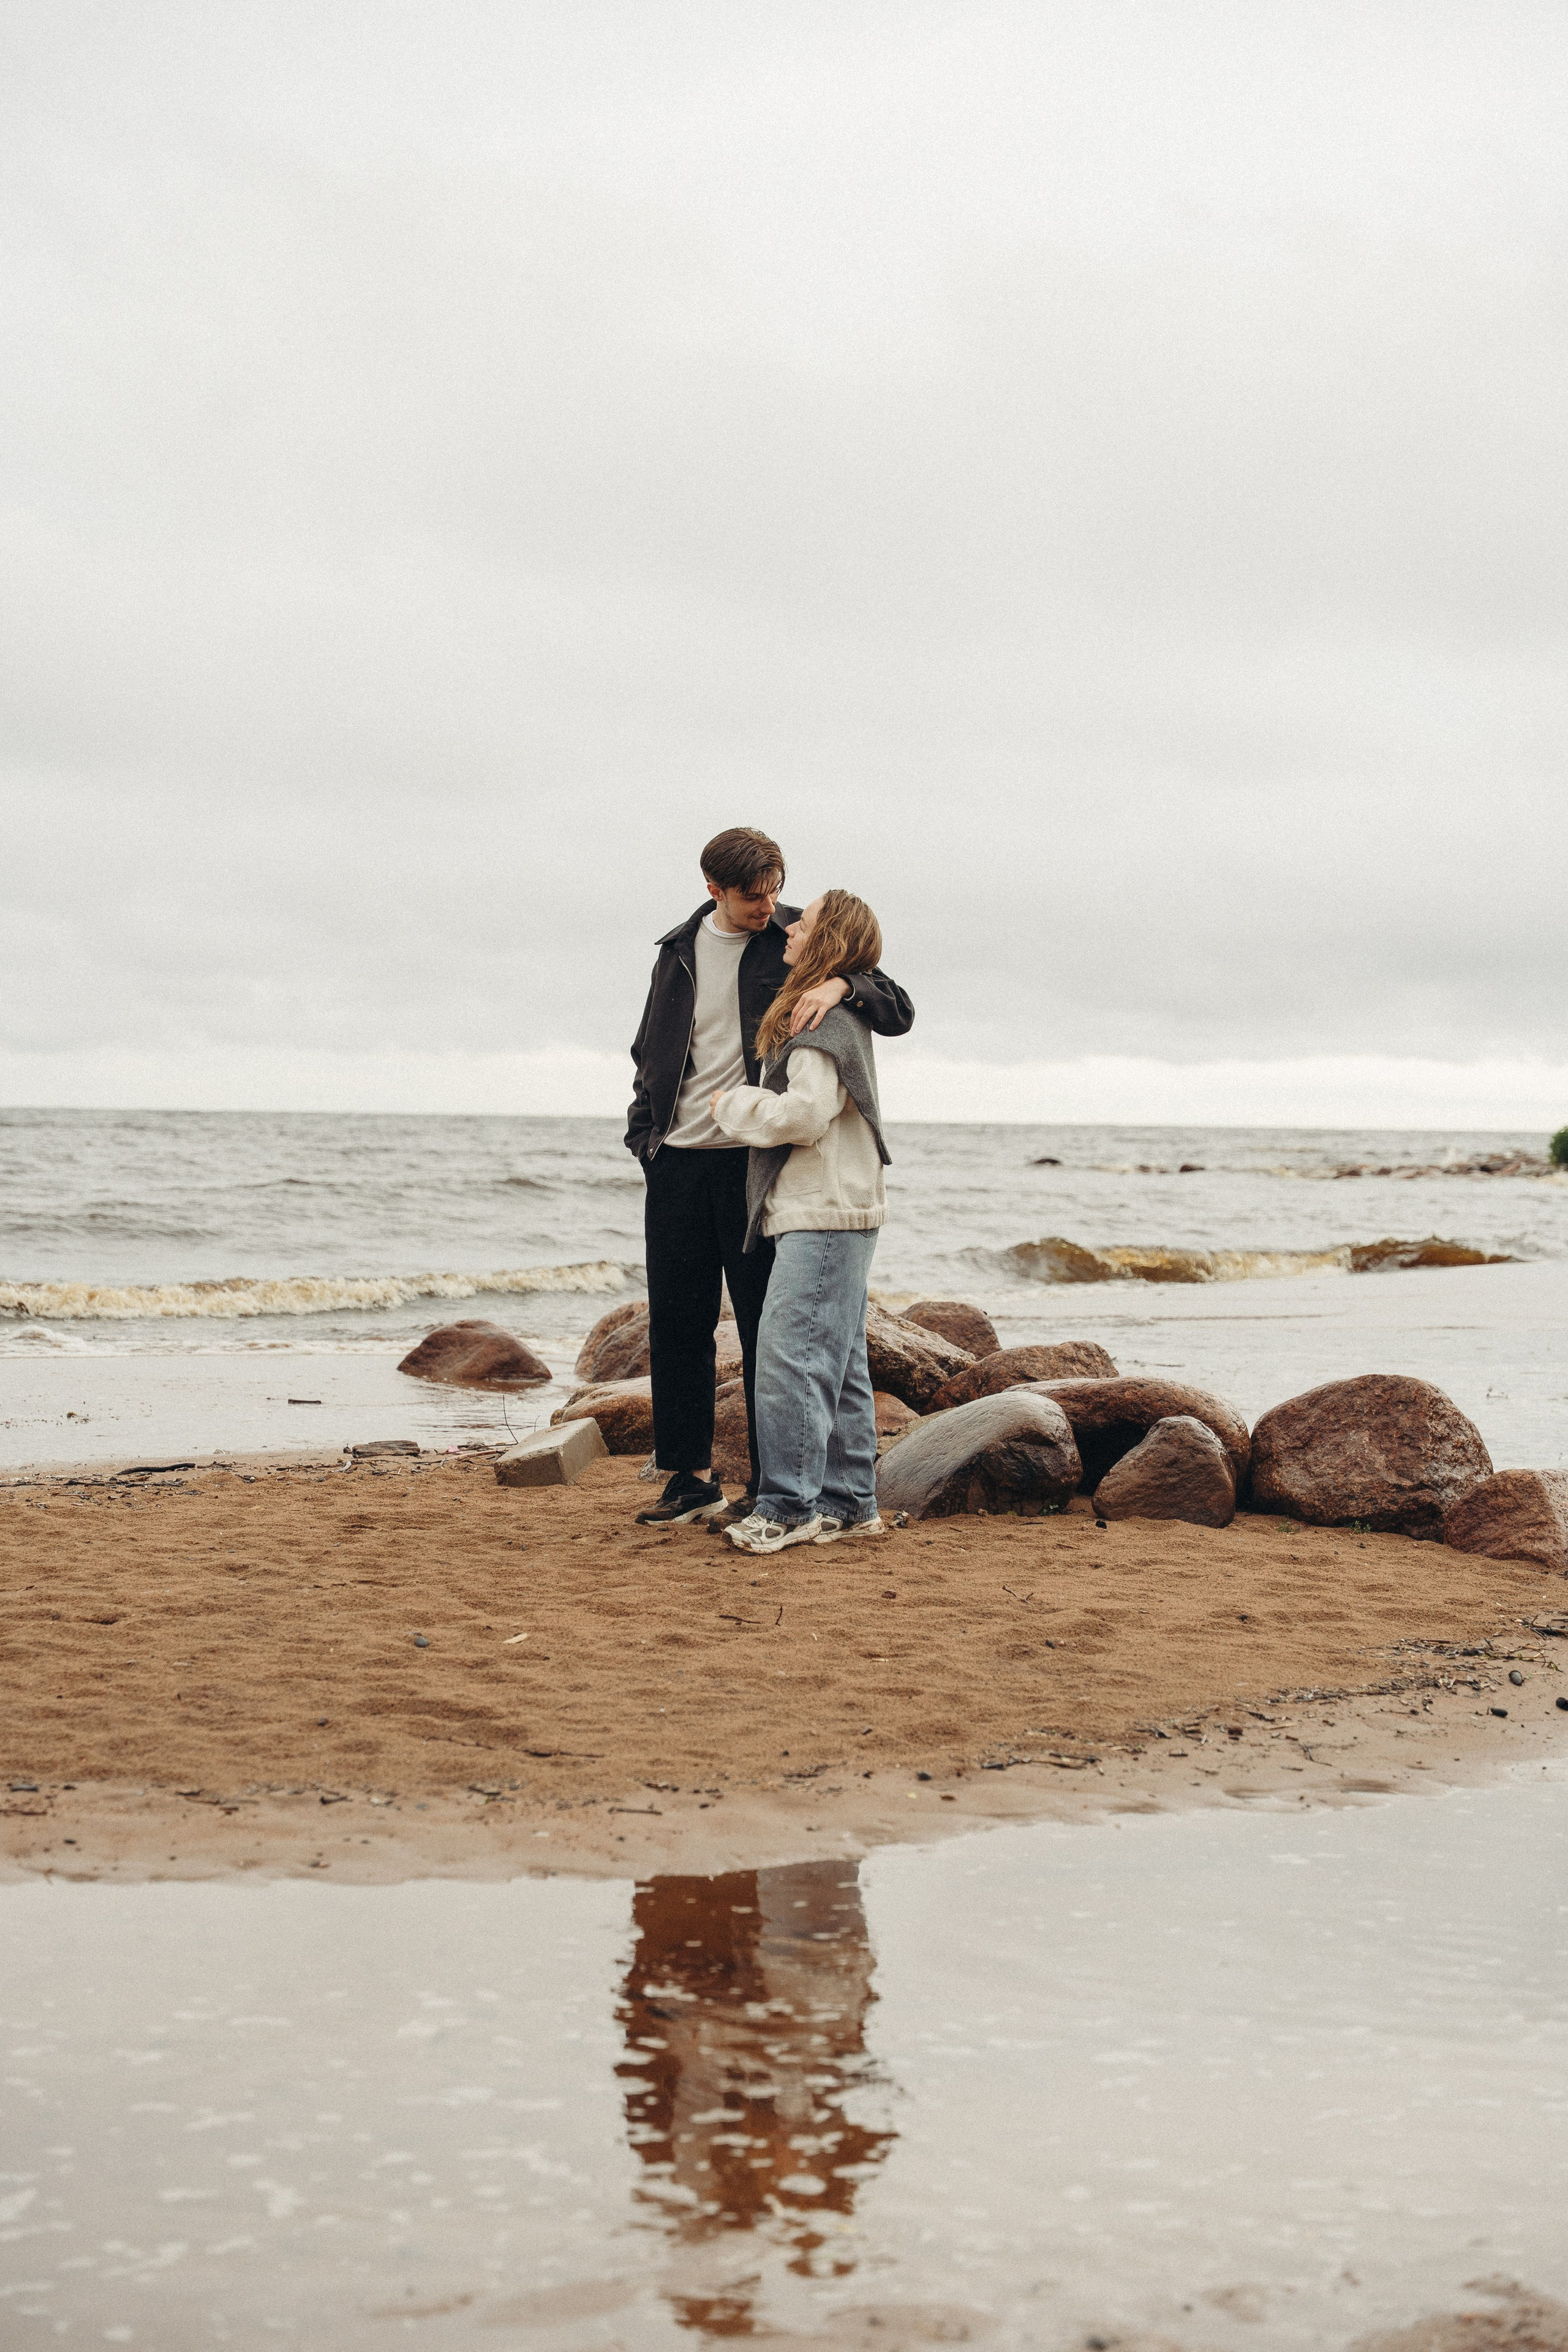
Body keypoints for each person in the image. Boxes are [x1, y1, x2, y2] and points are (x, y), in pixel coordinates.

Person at [625, 829, 913, 1528]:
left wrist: (844, 981)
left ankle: (769, 1484)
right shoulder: (676, 952)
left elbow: (897, 1006)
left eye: (777, 891)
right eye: (754, 896)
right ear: (712, 888)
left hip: (752, 1160)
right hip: (677, 1159)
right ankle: (688, 1479)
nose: (769, 905)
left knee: (766, 1326)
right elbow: (650, 1049)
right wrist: (644, 1133)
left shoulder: (797, 943)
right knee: (678, 1321)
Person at [707, 889, 891, 1556]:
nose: (788, 927)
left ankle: (788, 1509)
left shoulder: (818, 1022)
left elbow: (804, 1115)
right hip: (840, 1206)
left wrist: (735, 1105)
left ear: (825, 941)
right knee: (839, 1366)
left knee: (788, 1362)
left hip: (824, 1211)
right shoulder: (835, 1011)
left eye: (802, 922)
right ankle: (850, 1504)